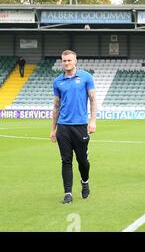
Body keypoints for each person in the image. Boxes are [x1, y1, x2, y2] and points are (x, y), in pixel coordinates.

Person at [50, 50, 97, 204]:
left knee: (83, 161)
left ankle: (85, 182)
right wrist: (53, 129)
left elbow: (93, 99)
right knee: (66, 160)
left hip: (81, 126)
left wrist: (93, 120)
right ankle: (68, 193)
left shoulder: (86, 77)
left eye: (69, 60)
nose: (67, 63)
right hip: (63, 127)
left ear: (75, 61)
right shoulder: (57, 82)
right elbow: (56, 106)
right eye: (64, 61)